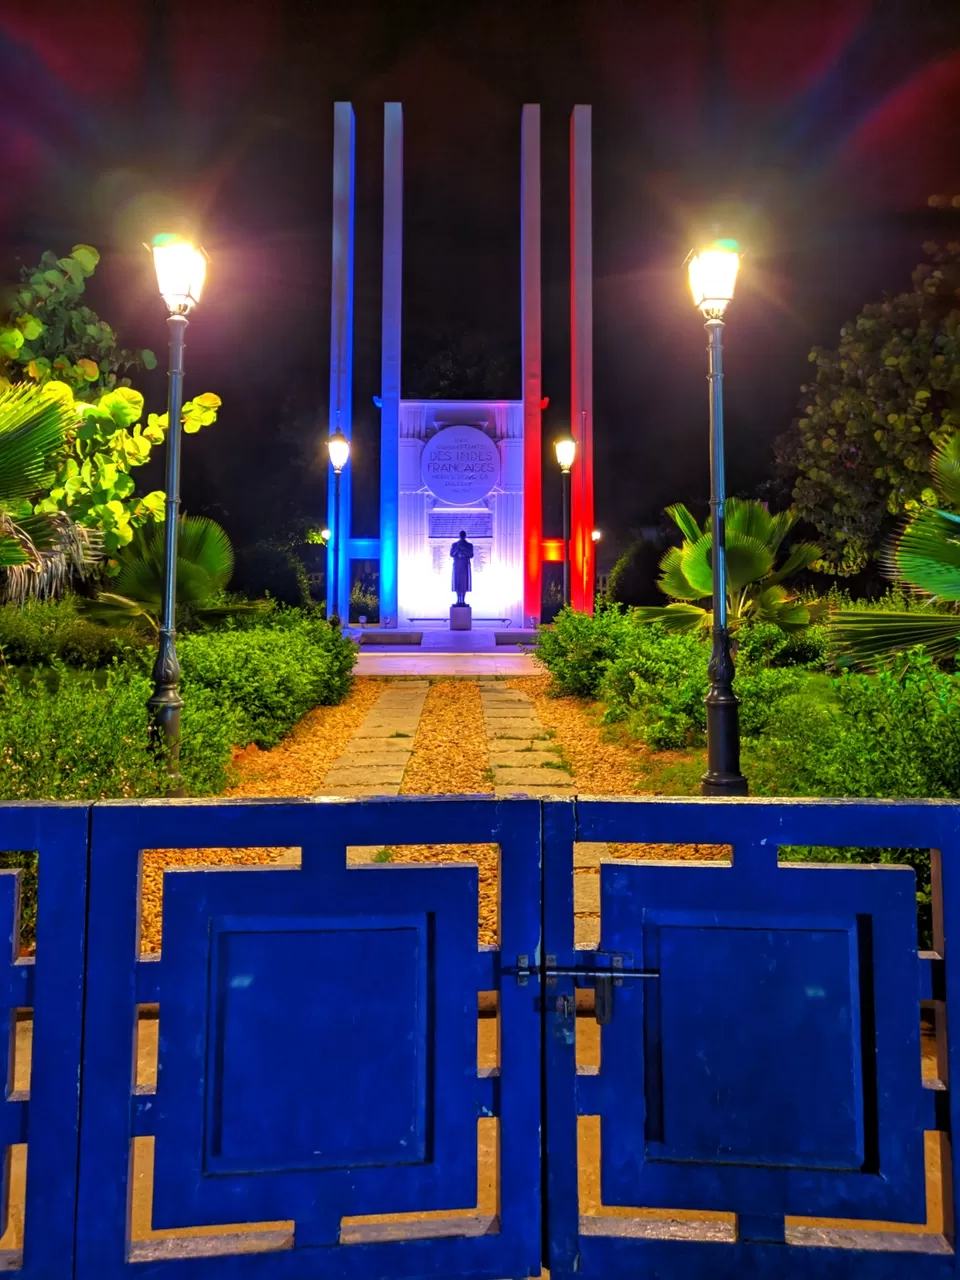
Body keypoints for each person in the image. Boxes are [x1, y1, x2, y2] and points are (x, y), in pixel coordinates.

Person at [450, 530, 474, 606]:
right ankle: (458, 600)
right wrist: (458, 549)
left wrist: (464, 549)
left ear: (465, 536)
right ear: (459, 536)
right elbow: (451, 554)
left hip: (465, 565)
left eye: (463, 535)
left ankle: (463, 600)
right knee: (457, 582)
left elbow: (471, 555)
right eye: (461, 535)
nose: (462, 536)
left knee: (464, 583)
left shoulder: (469, 545)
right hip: (457, 565)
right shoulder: (455, 545)